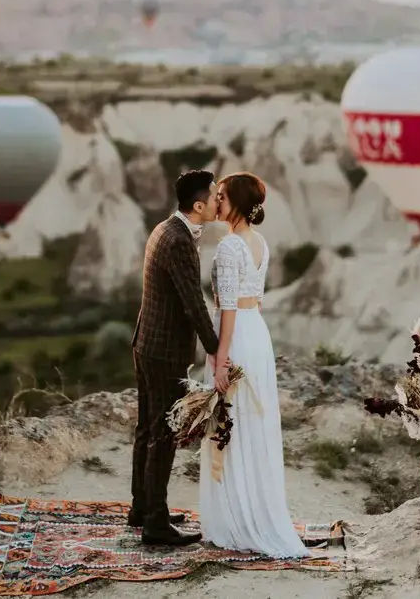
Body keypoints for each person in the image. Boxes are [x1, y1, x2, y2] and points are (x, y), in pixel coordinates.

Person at [199, 171, 308, 558]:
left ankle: (236, 520)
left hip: (238, 336)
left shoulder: (230, 247)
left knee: (232, 423)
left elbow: (227, 308)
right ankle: (252, 511)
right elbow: (253, 302)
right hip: (256, 333)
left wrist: (221, 358)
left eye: (222, 196)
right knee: (249, 425)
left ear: (238, 203)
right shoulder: (259, 242)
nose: (216, 201)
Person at [130, 169, 222, 546]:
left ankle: (143, 507)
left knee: (148, 428)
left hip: (147, 343)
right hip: (164, 350)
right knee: (163, 433)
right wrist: (217, 347)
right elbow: (192, 302)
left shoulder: (164, 228)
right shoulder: (179, 241)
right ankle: (154, 523)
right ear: (199, 205)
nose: (219, 200)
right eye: (215, 196)